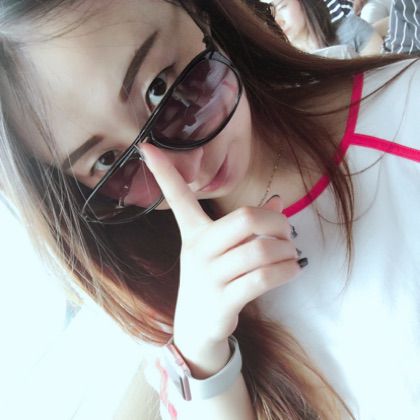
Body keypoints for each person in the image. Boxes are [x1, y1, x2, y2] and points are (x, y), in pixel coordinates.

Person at [0, 0, 419, 419]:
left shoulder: (404, 111)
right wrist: (203, 355)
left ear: (199, 12)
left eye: (159, 89)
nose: (183, 172)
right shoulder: (166, 307)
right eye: (109, 162)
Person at [272, 0, 358, 58]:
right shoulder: (284, 65)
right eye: (270, 17)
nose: (277, 22)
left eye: (282, 7)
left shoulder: (352, 30)